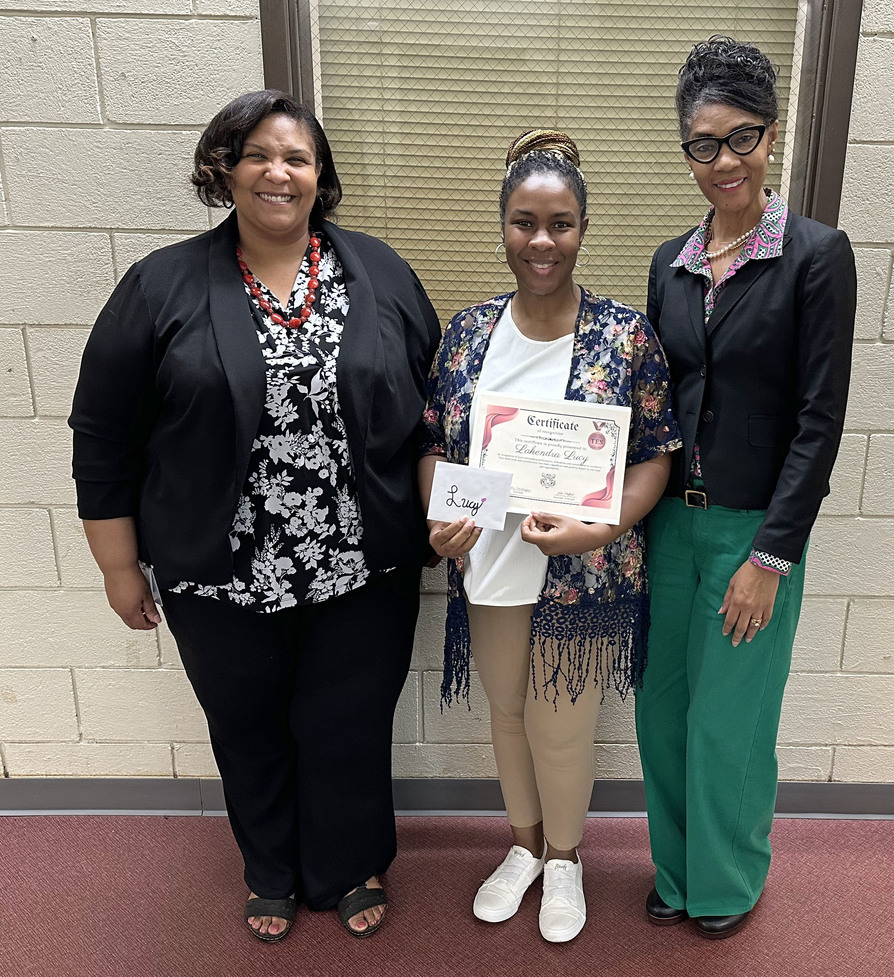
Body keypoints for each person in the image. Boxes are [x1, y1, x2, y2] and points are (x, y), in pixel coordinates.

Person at [69, 90, 440, 942]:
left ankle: (350, 862)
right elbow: (103, 435)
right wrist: (118, 566)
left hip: (362, 561)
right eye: (259, 155)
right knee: (247, 726)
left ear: (320, 176)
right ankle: (269, 867)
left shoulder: (379, 273)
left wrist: (446, 512)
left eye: (297, 158)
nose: (279, 172)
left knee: (348, 724)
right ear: (225, 170)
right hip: (219, 568)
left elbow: (433, 410)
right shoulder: (160, 284)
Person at [419, 129, 681, 943]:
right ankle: (524, 847)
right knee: (506, 713)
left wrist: (605, 523)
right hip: (490, 561)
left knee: (561, 728)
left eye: (560, 223)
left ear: (582, 229)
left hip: (585, 568)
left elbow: (656, 453)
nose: (542, 241)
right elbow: (432, 442)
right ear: (502, 225)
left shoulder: (623, 336)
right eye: (525, 222)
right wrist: (438, 517)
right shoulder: (468, 333)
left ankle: (566, 859)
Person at [635, 37, 856, 939]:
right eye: (703, 143)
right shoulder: (670, 262)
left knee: (729, 721)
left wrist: (772, 556)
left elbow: (819, 420)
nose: (723, 160)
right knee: (662, 712)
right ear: (686, 148)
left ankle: (725, 881)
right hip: (667, 528)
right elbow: (650, 402)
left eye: (742, 137)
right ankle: (675, 869)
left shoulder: (816, 255)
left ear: (771, 135)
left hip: (751, 532)